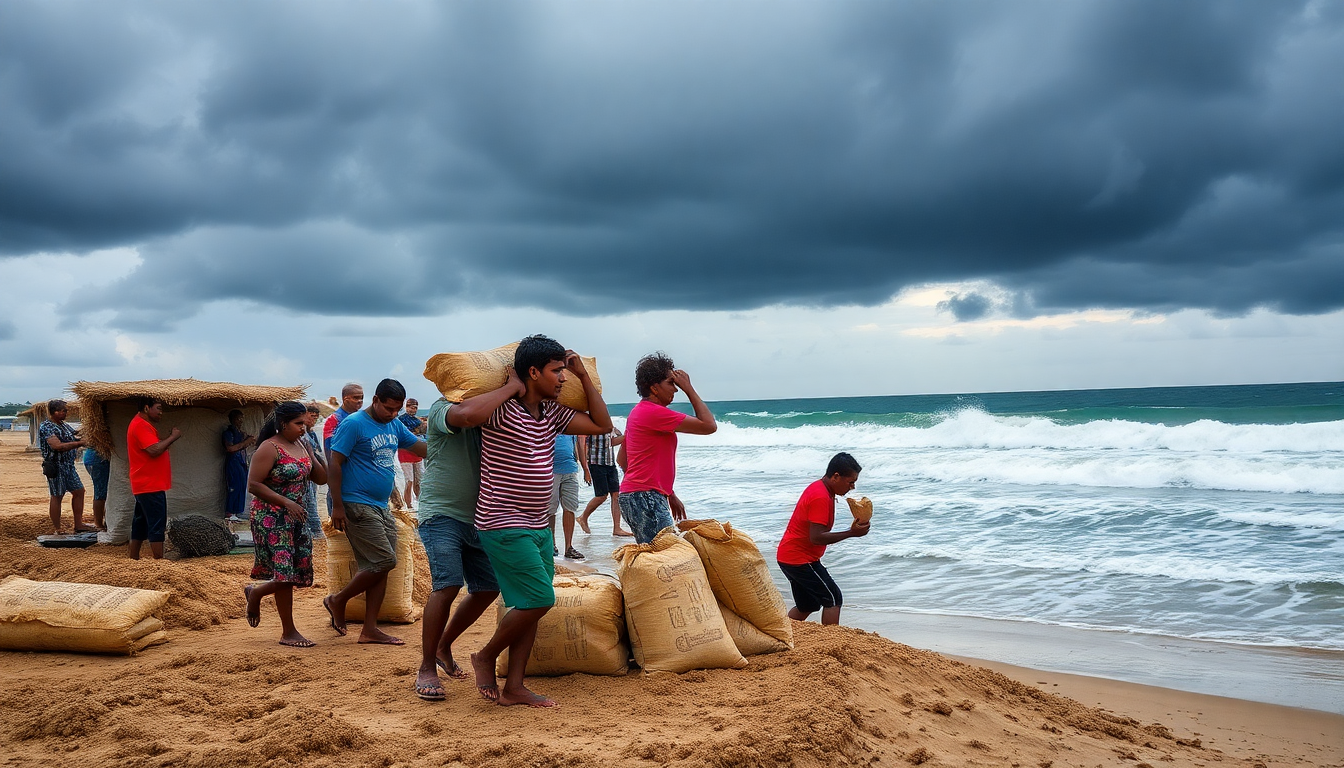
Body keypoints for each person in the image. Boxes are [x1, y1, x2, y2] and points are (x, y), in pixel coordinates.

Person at [469, 335, 612, 708]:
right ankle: (484, 656)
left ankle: (514, 686)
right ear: (533, 372)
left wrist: (585, 377)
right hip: (502, 520)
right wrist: (511, 388)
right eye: (556, 371)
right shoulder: (502, 411)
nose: (563, 378)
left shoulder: (554, 414)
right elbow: (465, 415)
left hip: (538, 523)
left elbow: (602, 425)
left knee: (527, 606)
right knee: (539, 598)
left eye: (564, 370)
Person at [411, 375, 520, 701]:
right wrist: (512, 386)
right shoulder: (444, 409)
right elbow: (467, 416)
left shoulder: (493, 414)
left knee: (487, 587)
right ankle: (426, 666)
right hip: (441, 513)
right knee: (447, 584)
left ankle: (444, 645)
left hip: (480, 517)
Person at [323, 379, 426, 645]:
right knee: (384, 561)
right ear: (376, 400)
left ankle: (369, 629)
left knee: (378, 567)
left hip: (381, 505)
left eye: (397, 409)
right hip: (355, 503)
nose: (393, 414)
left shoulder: (393, 424)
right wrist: (336, 505)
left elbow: (419, 447)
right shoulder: (354, 423)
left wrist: (450, 442)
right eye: (389, 408)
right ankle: (337, 600)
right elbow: (335, 464)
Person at [243, 401, 328, 647]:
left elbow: (321, 479)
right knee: (284, 574)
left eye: (305, 423)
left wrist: (311, 454)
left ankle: (257, 591)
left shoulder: (302, 444)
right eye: (298, 423)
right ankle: (288, 631)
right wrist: (286, 503)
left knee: (294, 572)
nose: (304, 428)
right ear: (282, 424)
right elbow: (254, 485)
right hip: (271, 518)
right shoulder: (269, 448)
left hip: (296, 518)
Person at [616, 353, 718, 543]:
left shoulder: (638, 412)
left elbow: (622, 460)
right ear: (654, 388)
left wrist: (667, 493)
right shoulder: (655, 413)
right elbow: (709, 425)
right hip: (646, 498)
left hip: (635, 496)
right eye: (671, 383)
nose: (675, 390)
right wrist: (689, 389)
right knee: (666, 559)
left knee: (656, 558)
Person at [775, 452, 869, 626]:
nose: (852, 487)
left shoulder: (823, 489)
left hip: (791, 556)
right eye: (851, 482)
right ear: (835, 476)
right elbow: (816, 537)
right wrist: (851, 532)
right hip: (798, 559)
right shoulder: (820, 496)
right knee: (833, 598)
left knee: (807, 604)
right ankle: (831, 643)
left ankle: (781, 634)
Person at [126, 397, 182, 560]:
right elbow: (154, 450)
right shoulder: (141, 426)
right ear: (146, 408)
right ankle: (159, 561)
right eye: (158, 408)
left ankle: (133, 558)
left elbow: (154, 447)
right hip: (150, 484)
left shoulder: (140, 425)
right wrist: (173, 436)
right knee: (157, 525)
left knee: (140, 523)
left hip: (145, 483)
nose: (160, 412)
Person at [39, 400, 91, 534]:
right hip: (56, 466)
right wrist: (80, 443)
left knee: (79, 492)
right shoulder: (47, 426)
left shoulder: (63, 425)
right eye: (63, 410)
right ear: (54, 412)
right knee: (57, 496)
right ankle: (58, 528)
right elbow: (57, 446)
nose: (65, 413)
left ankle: (78, 524)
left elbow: (75, 433)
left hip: (68, 466)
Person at [577, 427, 631, 537]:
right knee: (601, 495)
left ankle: (617, 528)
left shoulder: (609, 424)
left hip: (610, 463)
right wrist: (585, 470)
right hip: (596, 463)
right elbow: (581, 445)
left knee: (616, 495)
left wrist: (626, 435)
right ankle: (583, 517)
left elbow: (610, 443)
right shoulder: (590, 424)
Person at [323, 383, 364, 517]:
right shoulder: (334, 420)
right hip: (342, 473)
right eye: (356, 397)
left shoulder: (362, 418)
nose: (360, 401)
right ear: (346, 399)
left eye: (362, 397)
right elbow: (331, 452)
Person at [548, 433, 584, 559]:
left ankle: (569, 547)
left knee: (570, 508)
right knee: (550, 510)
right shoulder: (547, 423)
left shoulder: (570, 427)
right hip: (550, 471)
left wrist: (585, 468)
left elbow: (578, 446)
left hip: (571, 470)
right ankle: (551, 544)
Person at [223, 409, 255, 520]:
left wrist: (248, 440)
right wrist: (246, 442)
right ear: (232, 419)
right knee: (234, 486)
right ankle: (230, 513)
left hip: (241, 461)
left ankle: (237, 512)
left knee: (242, 485)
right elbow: (230, 448)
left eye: (242, 418)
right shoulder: (228, 433)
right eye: (238, 418)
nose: (241, 421)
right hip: (233, 462)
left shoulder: (240, 433)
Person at [301, 403, 327, 539]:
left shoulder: (311, 434)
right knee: (308, 501)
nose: (314, 420)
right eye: (312, 417)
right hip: (305, 472)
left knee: (312, 499)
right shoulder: (301, 434)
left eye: (316, 418)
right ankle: (314, 529)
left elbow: (318, 452)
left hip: (313, 471)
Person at [398, 399, 424, 510]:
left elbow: (421, 434)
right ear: (407, 407)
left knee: (419, 479)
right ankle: (409, 505)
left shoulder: (417, 421)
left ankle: (419, 502)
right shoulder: (401, 420)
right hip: (405, 453)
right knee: (409, 480)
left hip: (417, 452)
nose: (413, 410)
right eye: (412, 407)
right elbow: (404, 435)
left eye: (415, 408)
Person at [82, 446, 110, 530]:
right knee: (100, 493)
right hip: (99, 460)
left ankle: (104, 521)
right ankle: (99, 524)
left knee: (103, 491)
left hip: (95, 458)